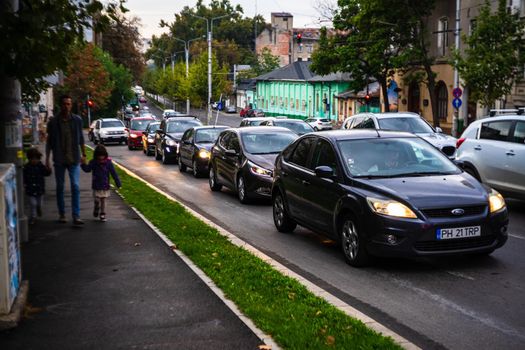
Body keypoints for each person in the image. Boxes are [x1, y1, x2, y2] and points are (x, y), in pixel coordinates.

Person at [45, 94, 86, 225]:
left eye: (68, 104)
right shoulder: (53, 122)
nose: (66, 106)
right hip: (59, 159)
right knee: (60, 187)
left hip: (73, 158)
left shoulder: (77, 120)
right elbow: (49, 142)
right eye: (64, 104)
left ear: (71, 105)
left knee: (75, 185)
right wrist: (47, 159)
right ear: (60, 105)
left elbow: (81, 139)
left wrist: (84, 155)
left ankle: (76, 215)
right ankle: (62, 213)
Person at [81, 145, 121, 222]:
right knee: (97, 199)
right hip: (96, 184)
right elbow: (87, 169)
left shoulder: (108, 163)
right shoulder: (93, 162)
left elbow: (113, 173)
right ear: (96, 155)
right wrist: (83, 164)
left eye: (102, 156)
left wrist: (118, 183)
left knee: (103, 200)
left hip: (105, 185)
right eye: (99, 156)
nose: (101, 158)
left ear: (105, 155)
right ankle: (96, 206)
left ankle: (102, 213)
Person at [23, 148, 52, 225]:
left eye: (36, 159)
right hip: (30, 189)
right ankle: (33, 217)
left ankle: (38, 209)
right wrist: (24, 183)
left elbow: (46, 173)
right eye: (32, 159)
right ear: (29, 159)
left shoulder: (40, 166)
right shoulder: (26, 167)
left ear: (39, 159)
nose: (34, 160)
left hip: (39, 189)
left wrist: (49, 170)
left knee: (39, 203)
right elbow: (24, 177)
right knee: (33, 204)